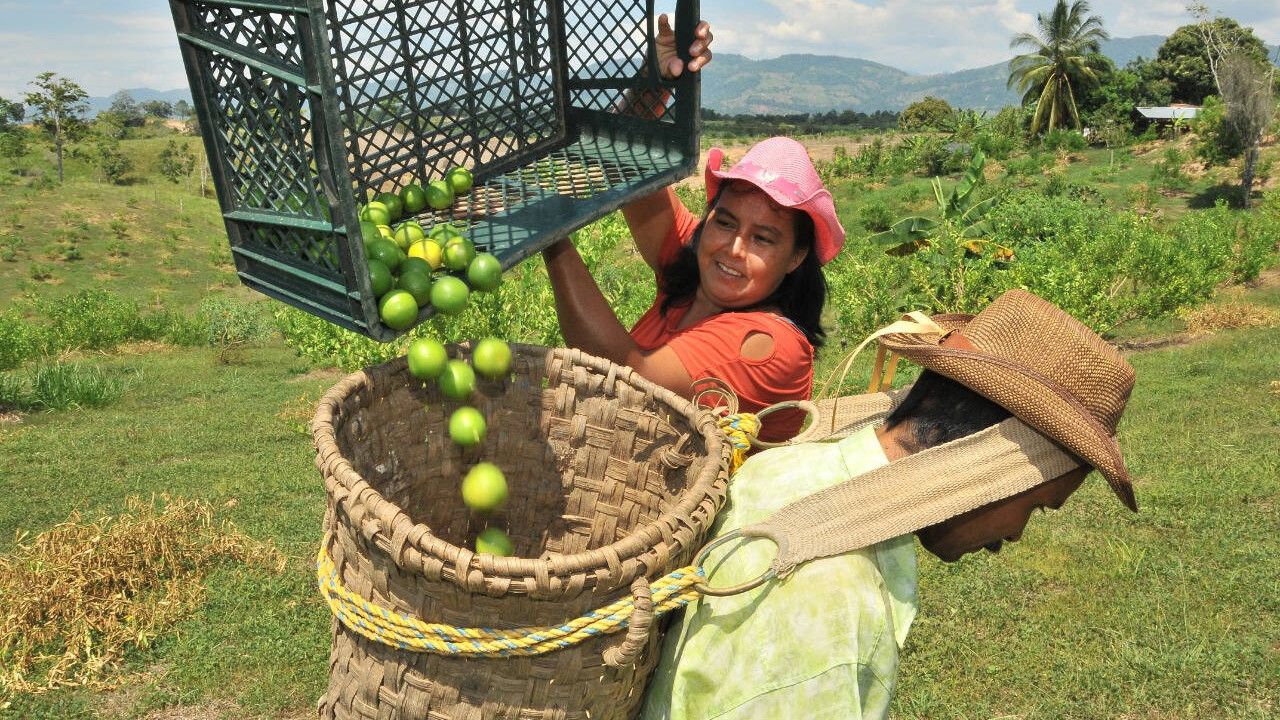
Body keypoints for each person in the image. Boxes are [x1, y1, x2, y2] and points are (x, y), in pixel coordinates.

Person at [638, 288, 1139, 720]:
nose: (1015, 535)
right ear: (991, 464)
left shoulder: (789, 465)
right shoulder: (831, 597)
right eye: (1036, 506)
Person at [542, 18, 845, 443]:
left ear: (796, 256)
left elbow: (624, 373)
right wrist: (657, 80)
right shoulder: (698, 263)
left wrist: (551, 235)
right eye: (725, 221)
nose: (733, 247)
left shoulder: (769, 345)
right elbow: (623, 159)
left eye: (763, 238)